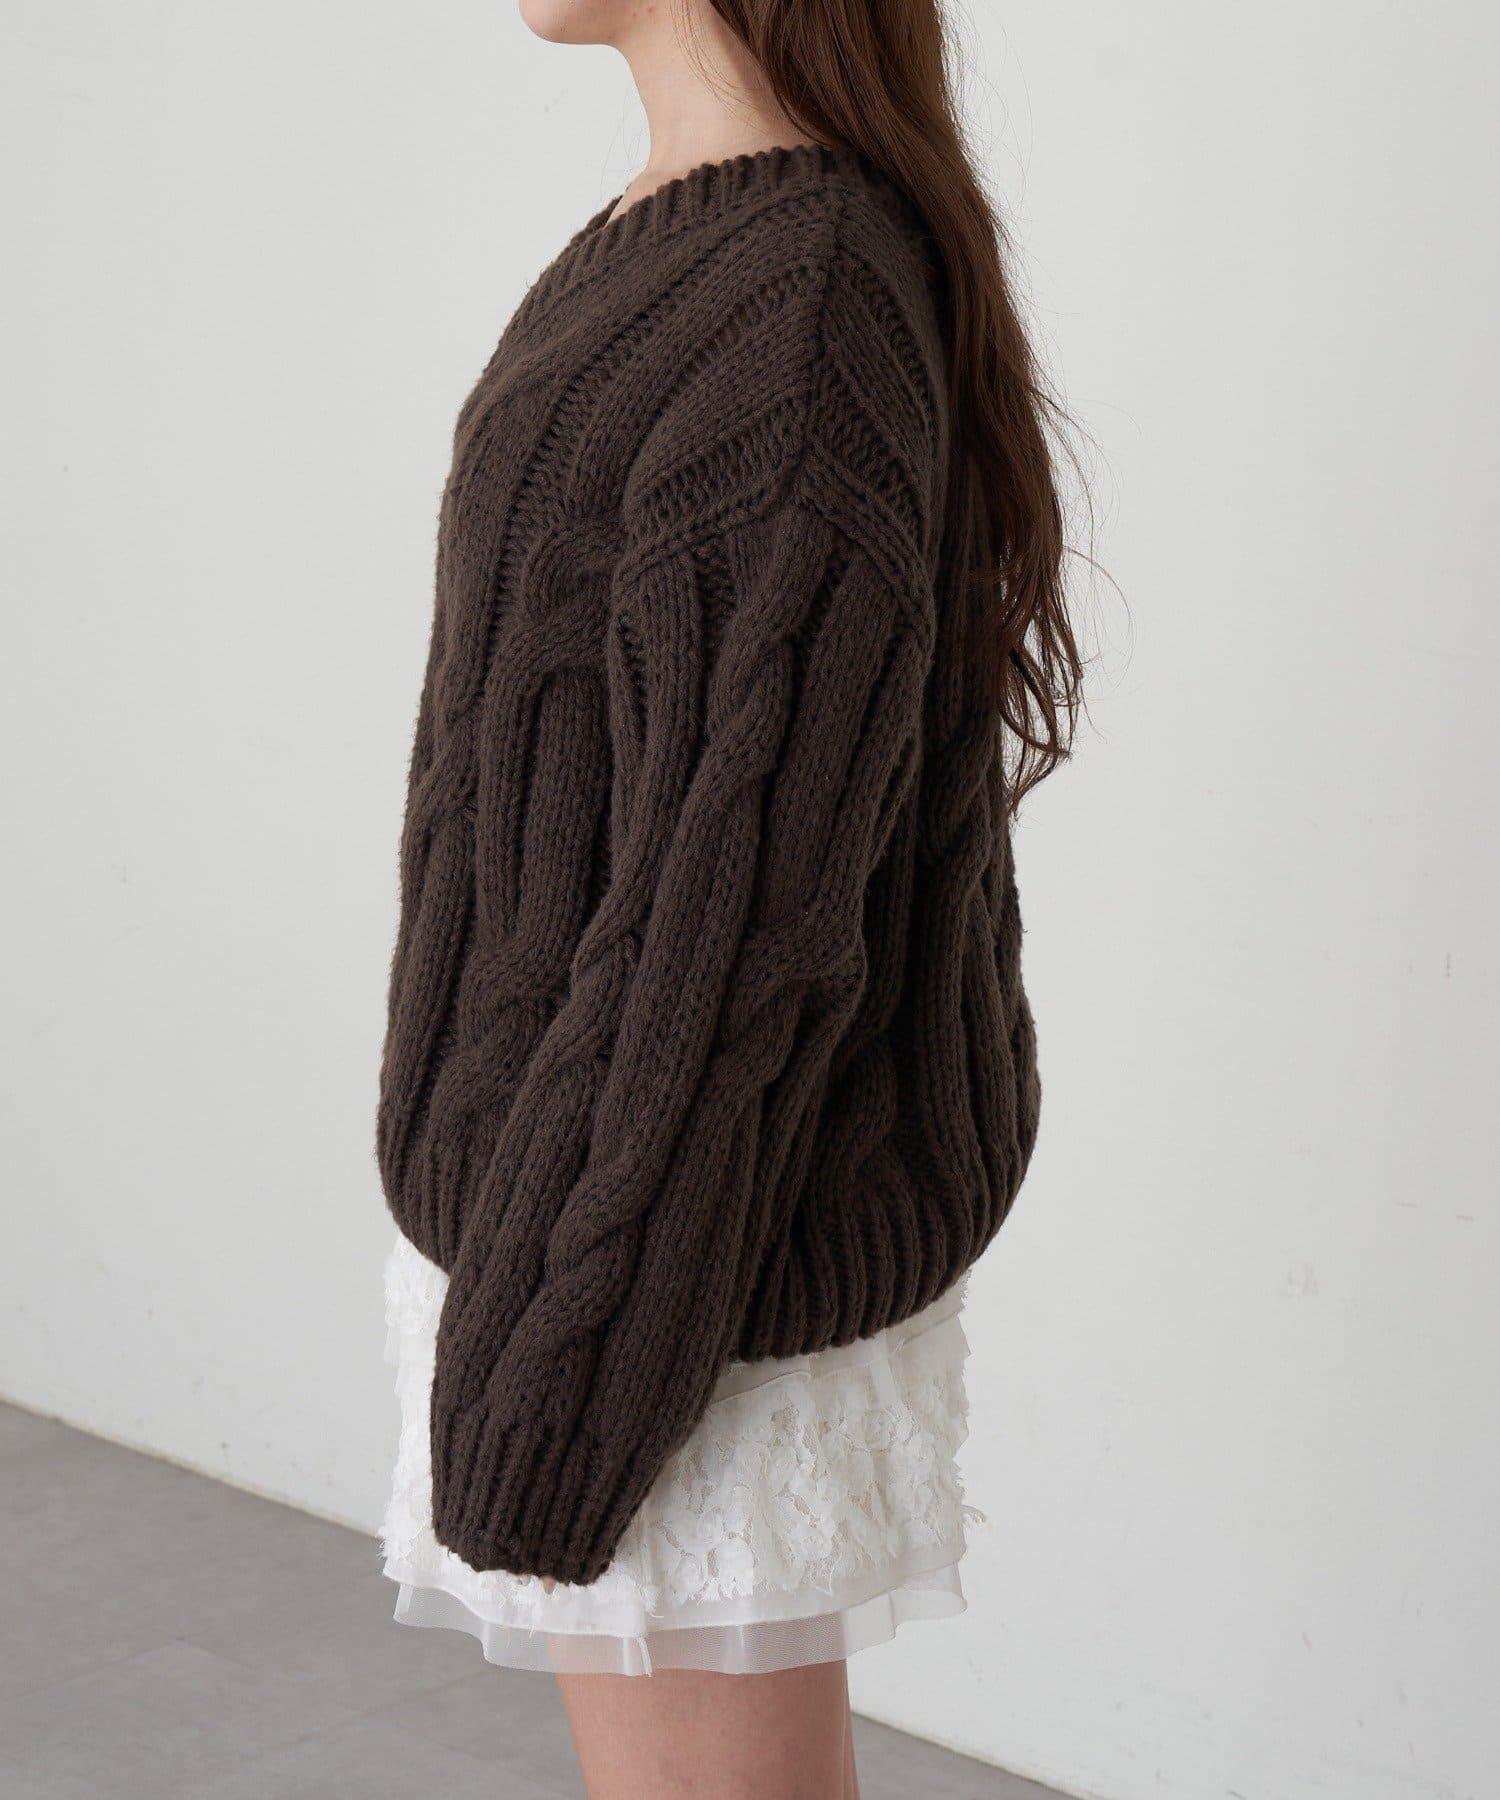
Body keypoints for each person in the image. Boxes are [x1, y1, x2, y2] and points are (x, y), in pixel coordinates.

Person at [374, 0, 1081, 1793]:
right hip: (592, 1231)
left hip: (672, 1276)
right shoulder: (673, 234)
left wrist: (565, 1365)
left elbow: (739, 914)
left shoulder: (799, 299)